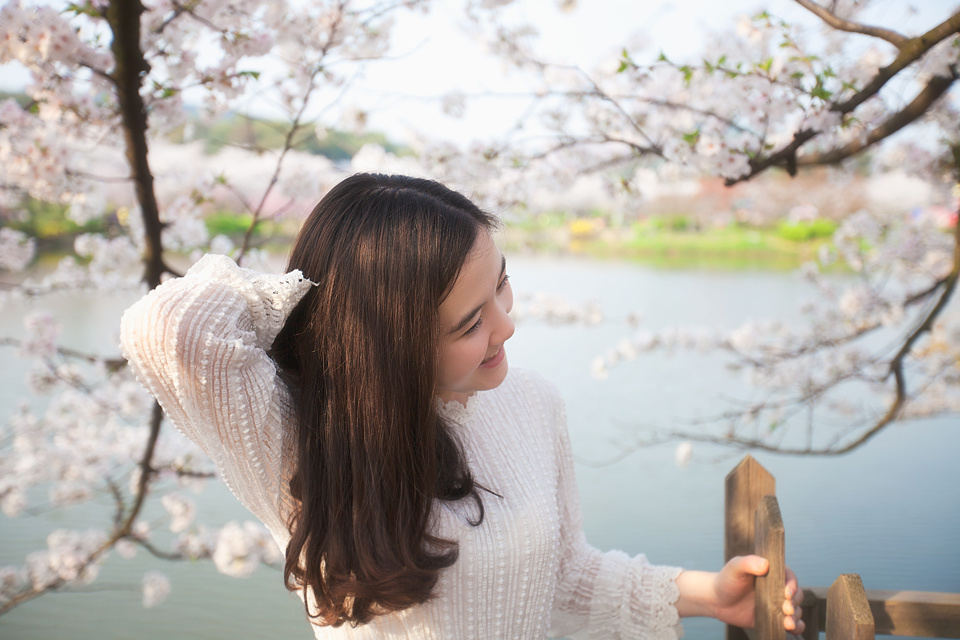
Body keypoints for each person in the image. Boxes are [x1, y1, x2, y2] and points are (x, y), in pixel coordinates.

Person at [120, 173, 804, 639]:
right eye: (468, 323)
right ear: (386, 346)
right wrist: (330, 292)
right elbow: (169, 333)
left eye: (502, 287)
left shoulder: (534, 404)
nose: (506, 327)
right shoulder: (303, 438)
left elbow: (564, 575)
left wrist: (709, 596)